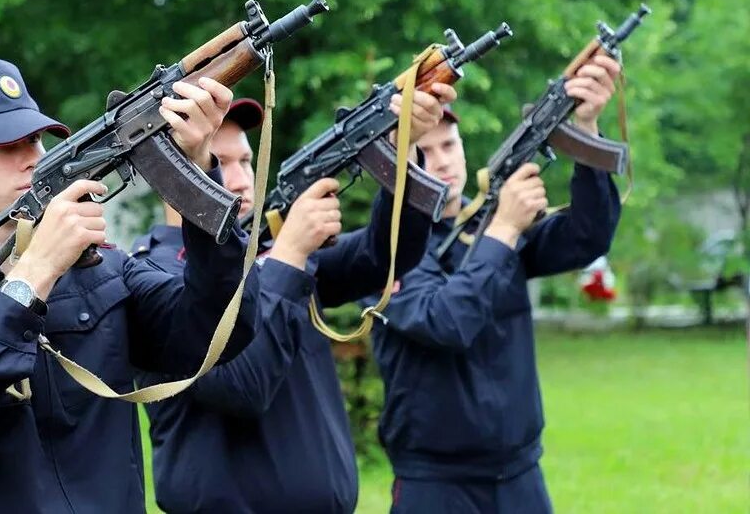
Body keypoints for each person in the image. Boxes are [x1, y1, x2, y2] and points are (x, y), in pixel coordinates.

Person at [0, 56, 256, 514]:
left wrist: (197, 175)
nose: (32, 158)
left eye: (35, 138)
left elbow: (217, 333)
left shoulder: (105, 268)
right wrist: (30, 278)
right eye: (4, 144)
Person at [132, 85, 457, 513]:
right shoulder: (151, 276)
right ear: (175, 174)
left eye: (246, 160)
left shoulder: (268, 250)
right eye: (220, 163)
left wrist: (403, 152)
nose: (243, 179)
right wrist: (290, 257)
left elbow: (384, 257)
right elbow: (242, 386)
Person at [360, 55, 624, 513]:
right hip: (437, 485)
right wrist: (504, 230)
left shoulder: (489, 222)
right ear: (395, 164)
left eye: (450, 145)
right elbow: (444, 321)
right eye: (425, 150)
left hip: (520, 475)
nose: (442, 163)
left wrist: (586, 128)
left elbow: (587, 237)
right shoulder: (382, 251)